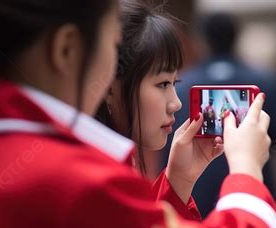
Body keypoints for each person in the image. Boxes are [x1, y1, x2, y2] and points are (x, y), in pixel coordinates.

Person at [0, 0, 276, 228]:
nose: (176, 104)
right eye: (114, 45)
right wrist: (247, 171)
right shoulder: (73, 179)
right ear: (66, 49)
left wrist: (176, 183)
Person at [163, 13, 276, 217]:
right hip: (255, 194)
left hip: (196, 198)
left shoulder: (180, 85)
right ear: (237, 38)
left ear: (201, 41)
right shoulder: (266, 79)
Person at [94, 0, 223, 210]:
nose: (176, 103)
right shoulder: (97, 181)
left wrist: (179, 178)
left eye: (174, 82)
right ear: (109, 87)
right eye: (162, 83)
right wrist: (246, 172)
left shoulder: (108, 164)